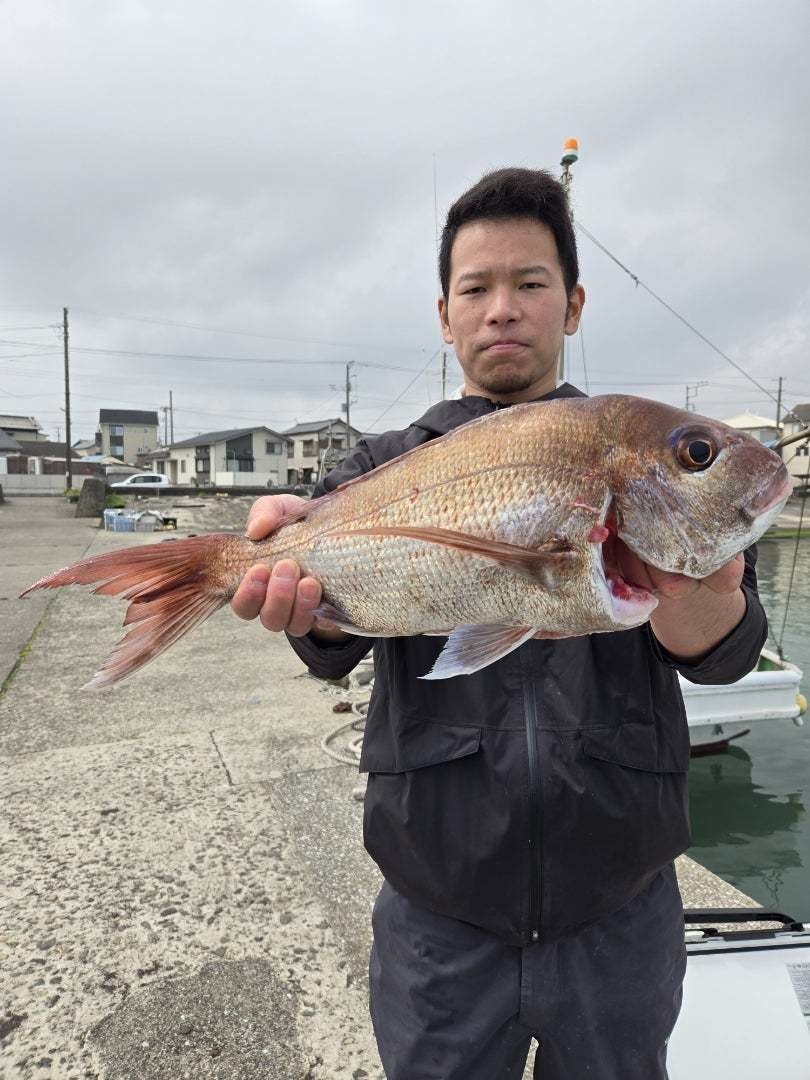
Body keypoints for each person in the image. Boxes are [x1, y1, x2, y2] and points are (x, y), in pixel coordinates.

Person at [230, 168, 767, 1079]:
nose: (502, 309)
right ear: (445, 317)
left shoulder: (625, 442)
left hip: (621, 913)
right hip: (439, 918)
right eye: (475, 289)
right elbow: (334, 643)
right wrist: (305, 609)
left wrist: (694, 576)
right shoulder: (379, 465)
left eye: (530, 283)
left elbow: (722, 657)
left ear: (574, 305)